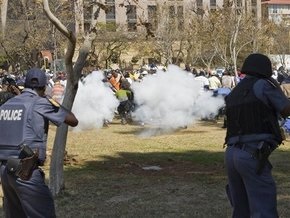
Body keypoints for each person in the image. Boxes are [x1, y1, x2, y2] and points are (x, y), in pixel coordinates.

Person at [0, 68, 78, 217]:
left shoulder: (7, 104)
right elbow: (73, 120)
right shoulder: (40, 102)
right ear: (43, 87)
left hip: (5, 171)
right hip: (25, 171)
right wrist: (50, 99)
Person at [224, 53, 290, 218]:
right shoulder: (264, 85)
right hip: (252, 153)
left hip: (232, 153)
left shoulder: (237, 90)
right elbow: (285, 109)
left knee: (241, 210)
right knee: (263, 209)